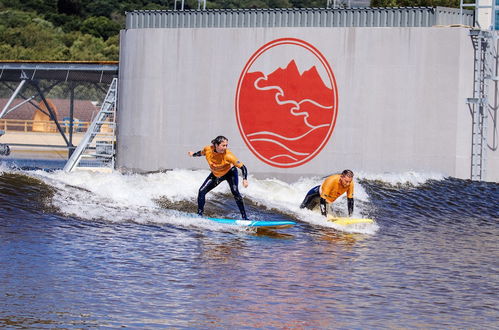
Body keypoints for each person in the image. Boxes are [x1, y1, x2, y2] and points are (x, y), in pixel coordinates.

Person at [188, 135, 249, 220]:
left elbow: (243, 167)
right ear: (216, 145)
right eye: (223, 145)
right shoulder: (208, 149)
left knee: (235, 192)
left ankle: (244, 218)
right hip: (216, 175)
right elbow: (201, 153)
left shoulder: (228, 155)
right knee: (201, 191)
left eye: (226, 145)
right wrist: (193, 154)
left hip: (230, 173)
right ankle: (199, 215)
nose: (225, 147)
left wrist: (245, 179)